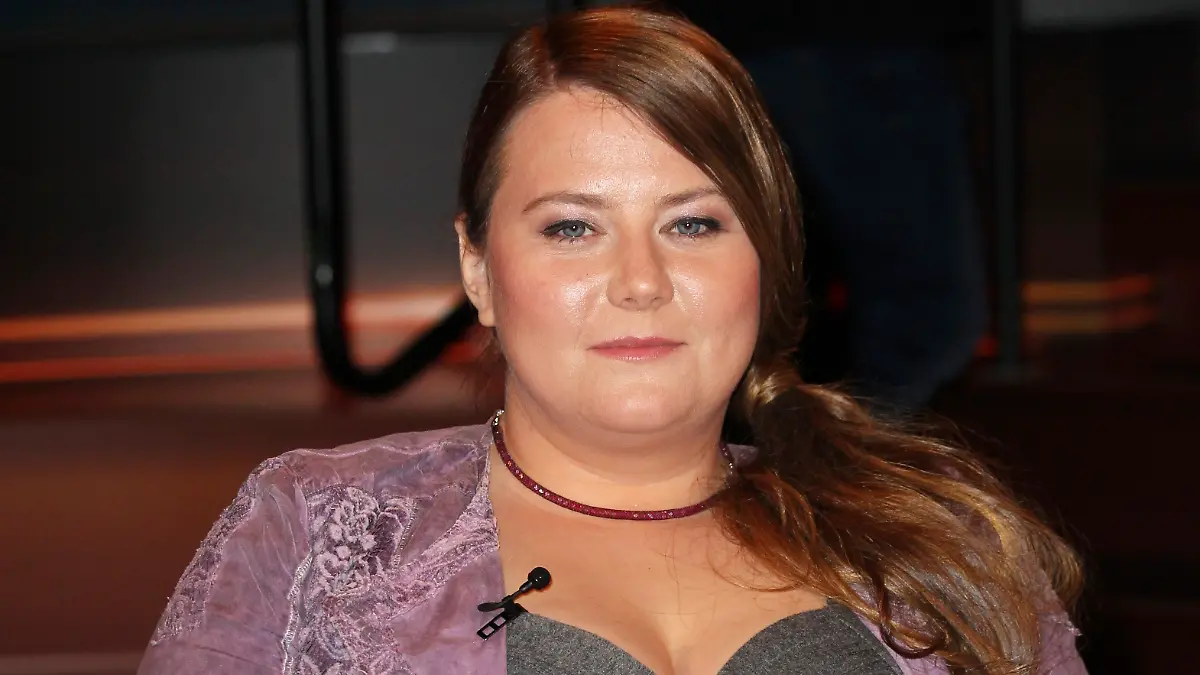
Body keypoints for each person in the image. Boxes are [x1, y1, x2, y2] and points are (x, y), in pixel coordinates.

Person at [138, 7, 1084, 675]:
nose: (640, 279)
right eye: (572, 227)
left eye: (693, 223)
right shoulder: (316, 531)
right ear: (478, 269)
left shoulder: (940, 543)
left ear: (768, 259)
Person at [674, 0, 990, 410]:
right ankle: (839, 445)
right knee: (923, 317)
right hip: (848, 34)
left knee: (772, 302)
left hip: (773, 36)